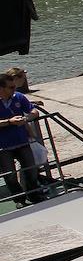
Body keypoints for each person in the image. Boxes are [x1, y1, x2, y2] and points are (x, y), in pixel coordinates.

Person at [0, 73, 43, 206]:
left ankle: (34, 195)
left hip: (22, 141)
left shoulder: (18, 97)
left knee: (31, 169)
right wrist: (9, 122)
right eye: (11, 87)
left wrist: (26, 118)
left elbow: (34, 111)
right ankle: (19, 200)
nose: (14, 89)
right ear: (1, 88)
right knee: (10, 175)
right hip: (3, 146)